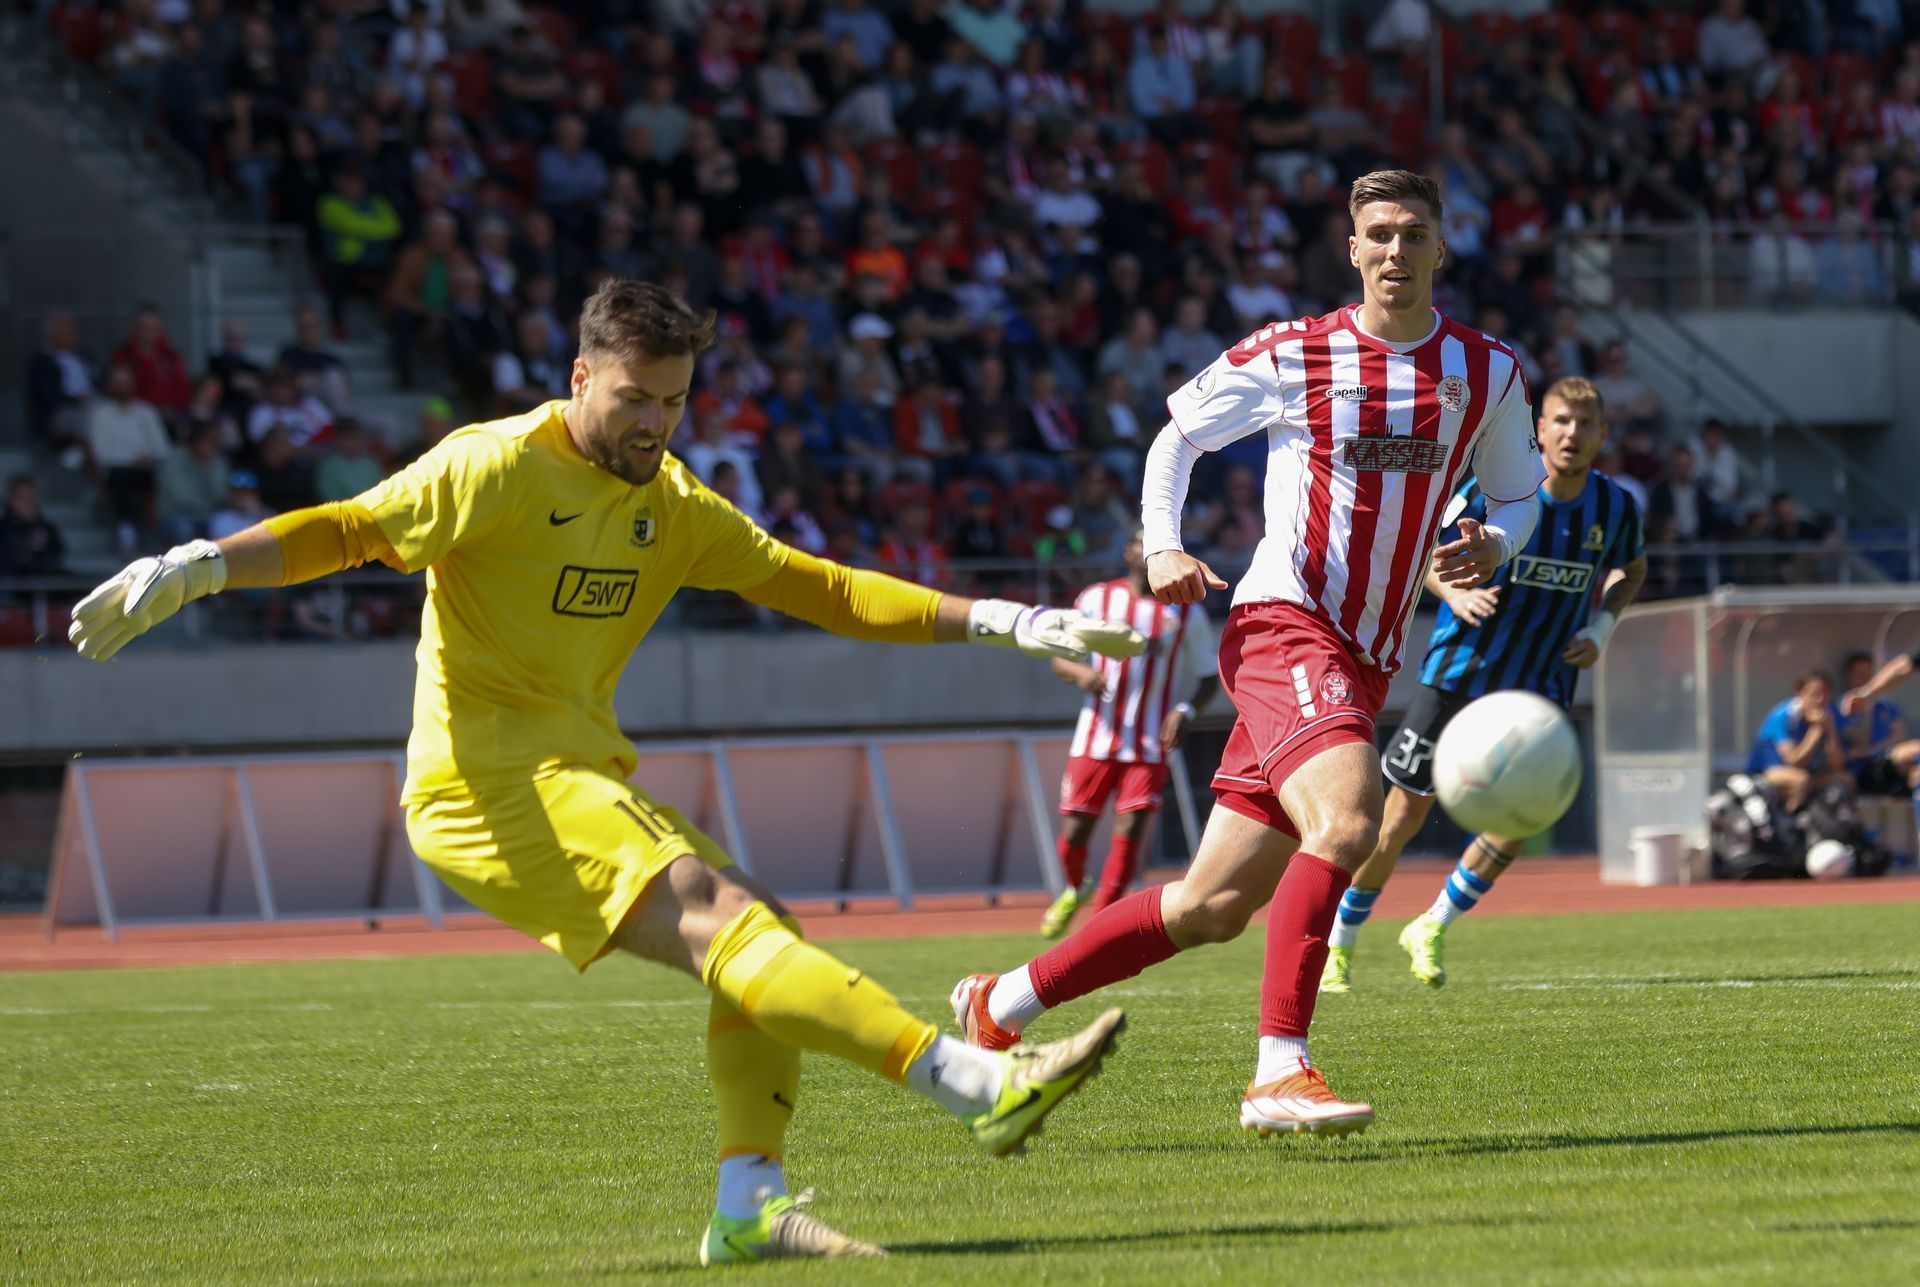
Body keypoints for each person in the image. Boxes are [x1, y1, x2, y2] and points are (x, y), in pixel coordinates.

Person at [67, 279, 1140, 1264]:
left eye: (674, 401)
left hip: (573, 776)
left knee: (757, 932)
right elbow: (350, 529)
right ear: (580, 377)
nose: (655, 424)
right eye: (635, 398)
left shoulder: (671, 503)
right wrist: (201, 566)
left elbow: (818, 586)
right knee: (725, 916)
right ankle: (978, 1084)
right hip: (485, 786)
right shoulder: (493, 464)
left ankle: (749, 1204)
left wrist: (1003, 618)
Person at [949, 169, 1545, 1137]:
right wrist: (1165, 544)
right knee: (1347, 822)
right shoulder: (1296, 350)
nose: (1395, 250)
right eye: (1378, 234)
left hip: (1364, 656)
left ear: (1442, 247)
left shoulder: (1488, 372)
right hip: (1285, 623)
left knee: (1212, 904)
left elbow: (1518, 494)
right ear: (1352, 250)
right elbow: (1175, 439)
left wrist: (1497, 544)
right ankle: (1279, 1069)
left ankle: (998, 1002)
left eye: (1413, 233)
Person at [1320, 376, 1648, 993]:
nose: (1572, 434)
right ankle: (1340, 942)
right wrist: (1453, 592)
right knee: (1399, 817)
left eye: (1585, 424)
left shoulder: (1616, 508)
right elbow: (1419, 550)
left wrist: (1602, 627)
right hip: (1459, 674)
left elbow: (1632, 569)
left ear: (1603, 435)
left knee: (1521, 817)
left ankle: (1432, 924)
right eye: (1561, 421)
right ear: (1540, 429)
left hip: (1539, 689)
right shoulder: (1496, 489)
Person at [1039, 528, 1221, 940]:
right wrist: (1081, 673)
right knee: (1074, 835)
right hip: (1095, 738)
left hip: (1149, 744)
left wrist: (1185, 710)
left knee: (1129, 835)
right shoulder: (1095, 599)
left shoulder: (1185, 612)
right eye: (1142, 542)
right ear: (1128, 552)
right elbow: (1058, 658)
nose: (1149, 549)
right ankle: (1076, 887)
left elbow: (1209, 677)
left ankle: (1096, 931)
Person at [1747, 671, 1850, 813]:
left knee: (1844, 779)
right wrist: (1817, 730)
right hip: (1768, 773)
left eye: (1825, 694)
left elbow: (1837, 765)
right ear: (1801, 693)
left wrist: (1831, 731)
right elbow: (1794, 761)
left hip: (1810, 773)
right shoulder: (1783, 716)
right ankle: (1790, 821)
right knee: (1801, 780)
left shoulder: (1830, 713)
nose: (1820, 700)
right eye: (1814, 694)